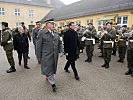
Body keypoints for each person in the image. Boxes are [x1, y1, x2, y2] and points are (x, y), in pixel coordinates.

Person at [36, 22, 63, 92]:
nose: (54, 25)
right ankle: (53, 84)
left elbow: (59, 42)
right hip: (46, 55)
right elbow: (38, 45)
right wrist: (38, 56)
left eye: (54, 24)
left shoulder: (56, 32)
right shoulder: (42, 33)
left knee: (53, 67)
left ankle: (48, 76)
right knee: (49, 68)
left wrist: (61, 50)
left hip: (55, 54)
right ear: (48, 26)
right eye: (52, 24)